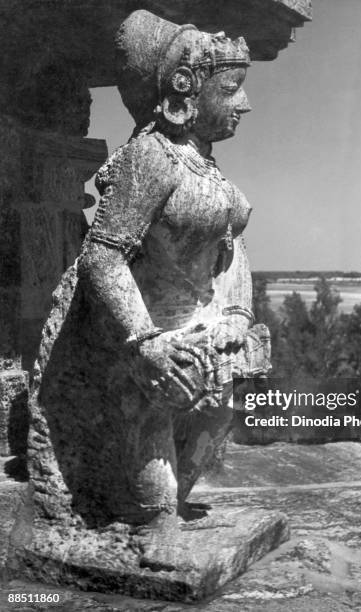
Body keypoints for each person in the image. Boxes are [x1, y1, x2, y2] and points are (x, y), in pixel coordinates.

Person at [28, 10, 270, 570]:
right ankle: (151, 523)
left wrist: (236, 311)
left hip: (205, 325)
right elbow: (104, 254)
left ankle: (171, 509)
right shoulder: (151, 158)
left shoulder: (205, 167)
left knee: (212, 417)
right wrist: (142, 340)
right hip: (145, 331)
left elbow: (231, 249)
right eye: (232, 88)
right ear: (184, 87)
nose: (244, 103)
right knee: (154, 414)